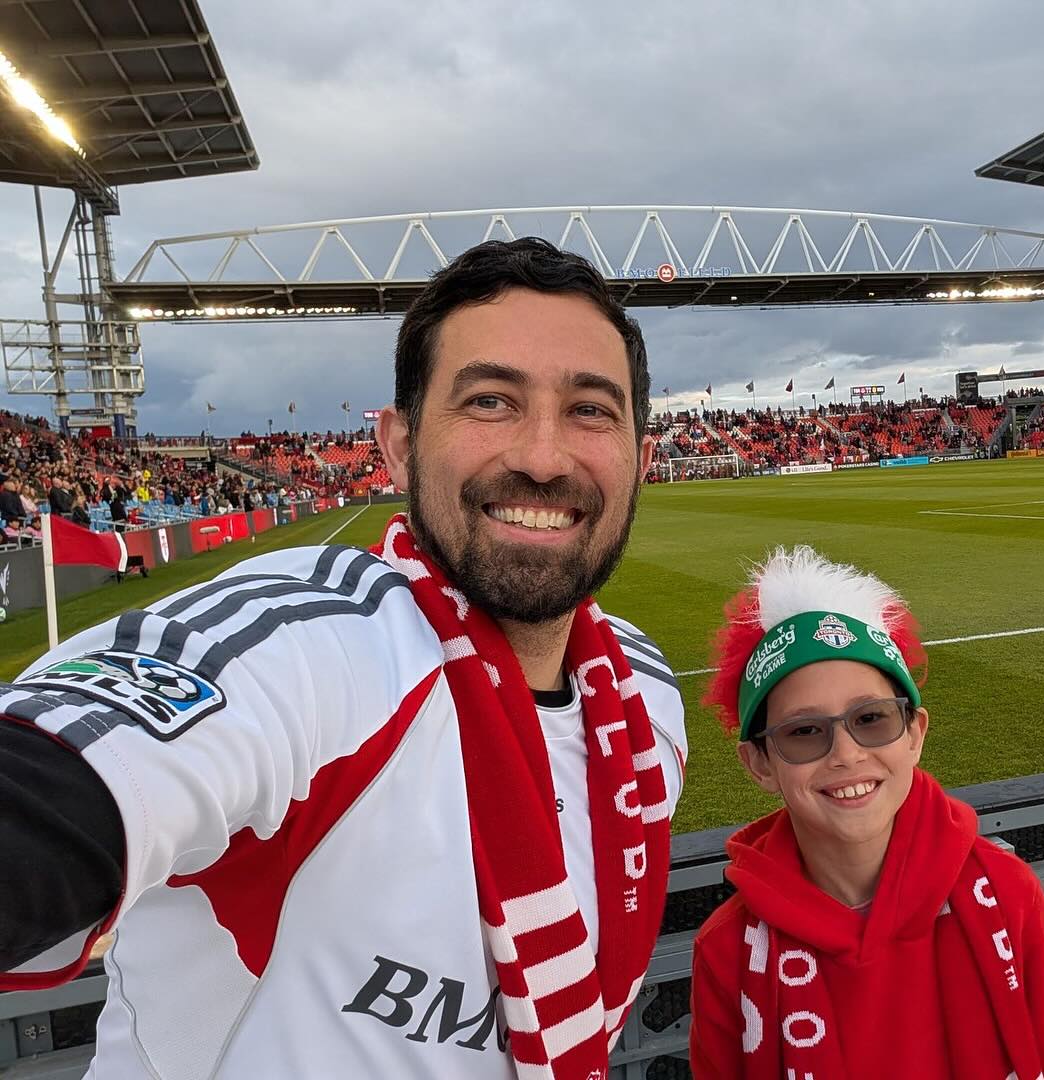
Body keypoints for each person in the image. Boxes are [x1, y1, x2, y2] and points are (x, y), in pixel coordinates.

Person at [0, 238, 687, 1079]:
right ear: (398, 444)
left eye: (590, 410)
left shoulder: (645, 697)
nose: (543, 456)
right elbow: (48, 793)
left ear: (641, 461)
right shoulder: (312, 649)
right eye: (490, 401)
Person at [687, 546, 1044, 1079]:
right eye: (804, 733)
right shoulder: (728, 949)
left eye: (871, 719)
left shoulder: (1007, 891)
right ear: (759, 764)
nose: (846, 752)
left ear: (915, 733)